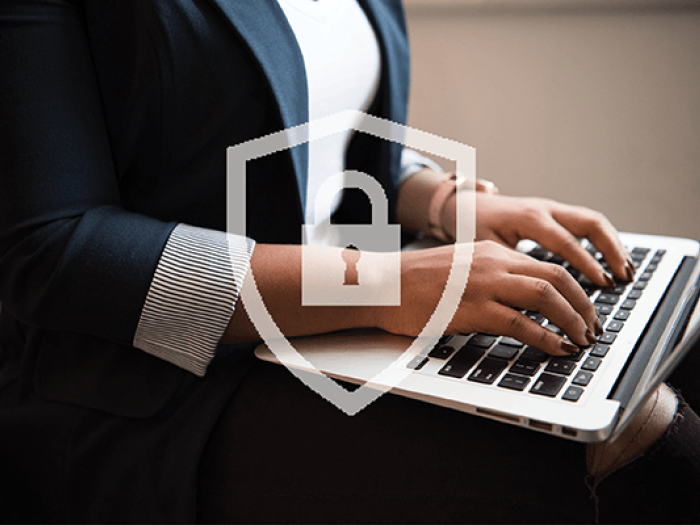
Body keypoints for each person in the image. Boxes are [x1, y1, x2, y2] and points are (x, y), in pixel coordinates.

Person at [0, 0, 698, 522]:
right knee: (649, 443)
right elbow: (53, 246)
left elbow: (326, 147)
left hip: (342, 325)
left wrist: (443, 203)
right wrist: (383, 286)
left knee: (675, 342)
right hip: (150, 388)